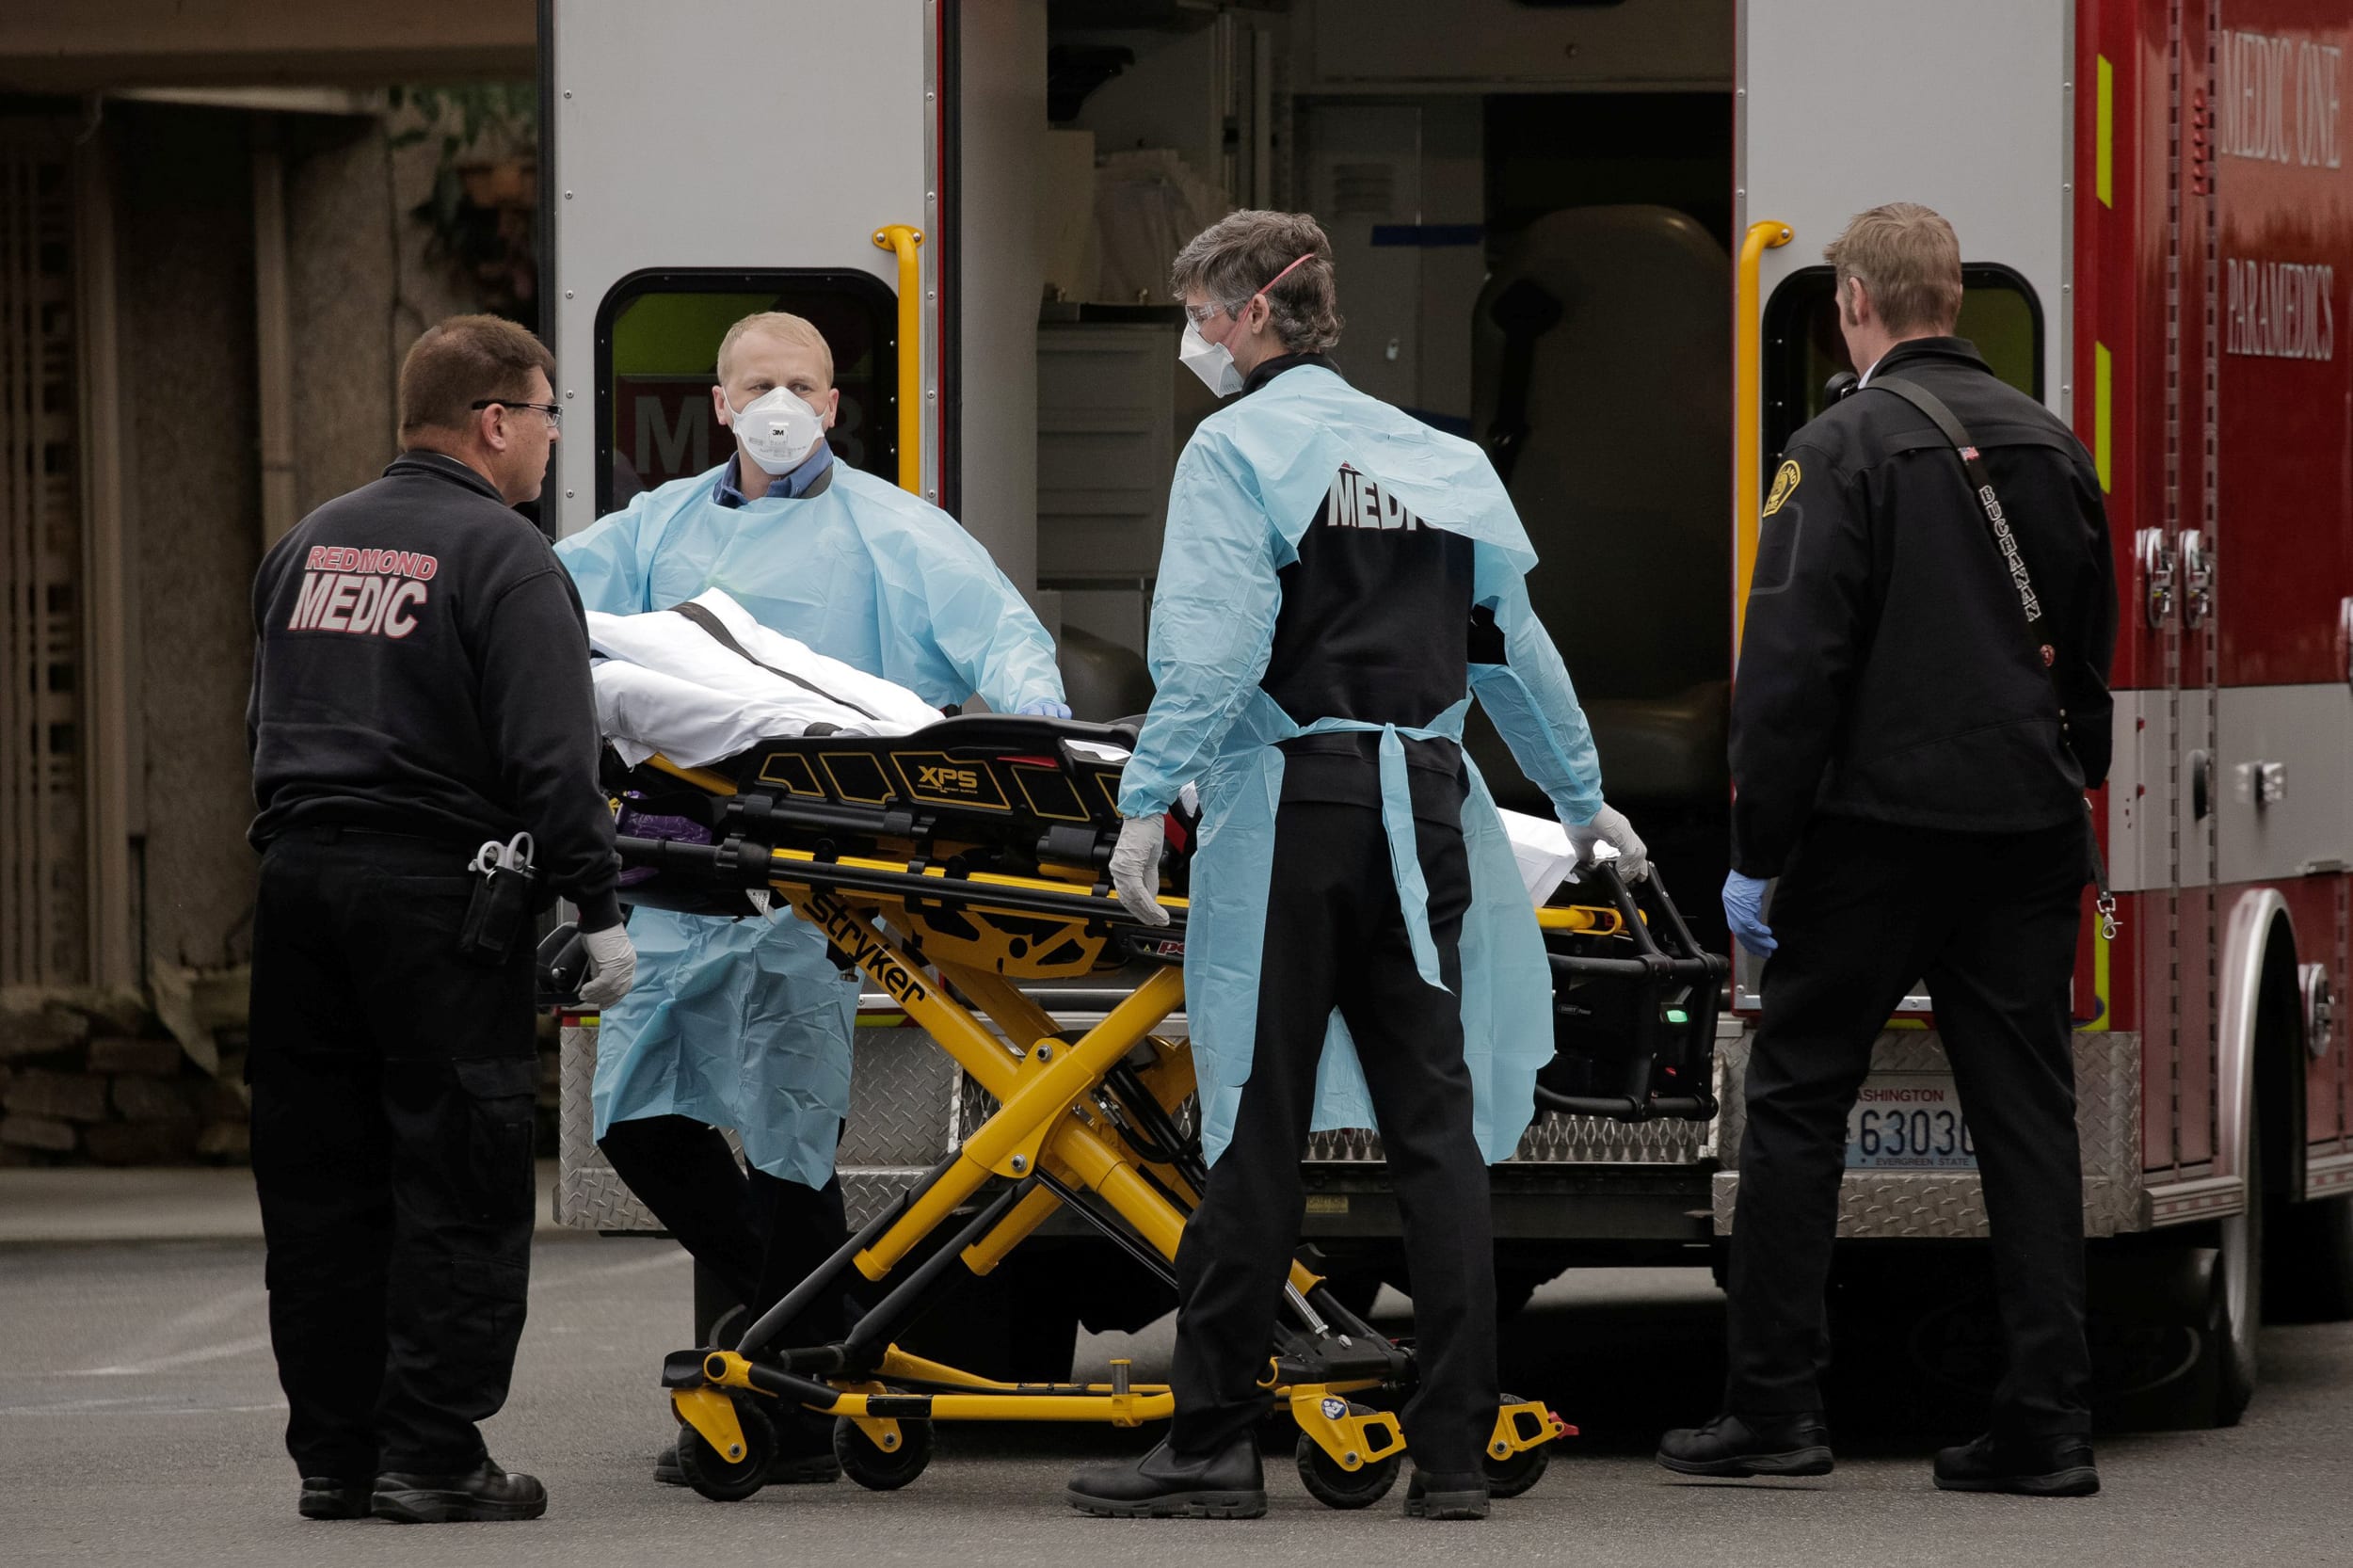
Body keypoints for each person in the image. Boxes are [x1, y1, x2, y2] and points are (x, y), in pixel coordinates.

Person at [1064, 210, 1646, 1523]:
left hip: (1292, 808)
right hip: (1429, 815)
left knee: (1255, 1127)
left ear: (1253, 315)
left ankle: (1212, 1444)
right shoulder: (1436, 458)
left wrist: (1146, 801)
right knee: (1434, 1135)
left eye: (1202, 315)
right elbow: (1519, 652)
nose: (1195, 341)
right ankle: (1450, 1457)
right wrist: (1584, 799)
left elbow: (1215, 652)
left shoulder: (1237, 451)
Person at [553, 310, 1068, 1481]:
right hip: (681, 873)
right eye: (757, 383)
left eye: (803, 383)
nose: (781, 401)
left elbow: (1009, 648)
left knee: (793, 1143)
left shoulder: (899, 535)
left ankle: (779, 1397)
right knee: (634, 1121)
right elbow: (539, 606)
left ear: (834, 407)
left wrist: (1040, 764)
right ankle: (826, 1344)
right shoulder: (654, 528)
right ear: (720, 404)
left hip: (821, 883)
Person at [1659, 203, 2118, 1496]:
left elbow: (1792, 672)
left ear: (1854, 301)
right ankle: (2046, 1426)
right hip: (2026, 831)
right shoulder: (2054, 443)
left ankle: (1776, 1412)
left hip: (1874, 834)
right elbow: (2089, 654)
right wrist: (2065, 773)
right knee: (2028, 1117)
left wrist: (1760, 846)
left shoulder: (1837, 447)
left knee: (1800, 1099)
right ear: (1955, 298)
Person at [246, 315, 637, 1525]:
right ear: (493, 422)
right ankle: (433, 1452)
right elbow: (552, 759)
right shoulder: (506, 556)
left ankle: (338, 1455)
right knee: (453, 1169)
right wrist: (599, 905)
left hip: (299, 886)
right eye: (549, 412)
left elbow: (265, 724)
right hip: (438, 897)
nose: (553, 437)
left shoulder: (309, 543)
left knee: (321, 1180)